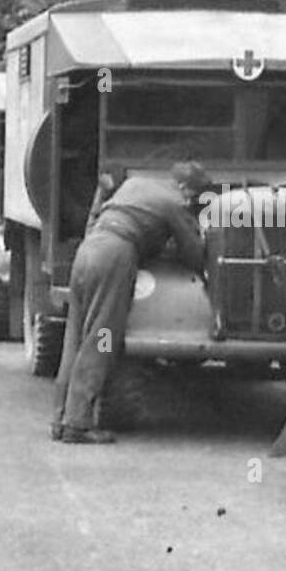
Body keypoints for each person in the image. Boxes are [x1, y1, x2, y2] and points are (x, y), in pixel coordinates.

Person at [52, 163, 208, 443]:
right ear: (186, 189)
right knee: (103, 337)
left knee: (75, 336)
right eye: (195, 197)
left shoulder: (136, 184)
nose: (192, 202)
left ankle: (60, 417)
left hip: (87, 252)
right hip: (115, 256)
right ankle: (77, 424)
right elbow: (193, 253)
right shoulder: (174, 203)